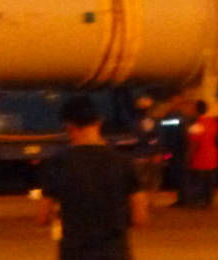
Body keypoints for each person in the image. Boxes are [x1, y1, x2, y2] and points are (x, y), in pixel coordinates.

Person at [36, 94, 148, 260]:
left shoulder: (57, 163)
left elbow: (41, 217)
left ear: (68, 126)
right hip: (115, 253)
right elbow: (140, 218)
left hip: (74, 253)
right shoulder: (123, 162)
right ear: (99, 122)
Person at [178, 100, 218, 209]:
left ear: (196, 110)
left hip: (200, 157)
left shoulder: (197, 125)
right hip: (212, 155)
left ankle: (199, 201)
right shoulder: (214, 122)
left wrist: (188, 157)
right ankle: (208, 200)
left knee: (199, 181)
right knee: (209, 180)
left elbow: (193, 144)